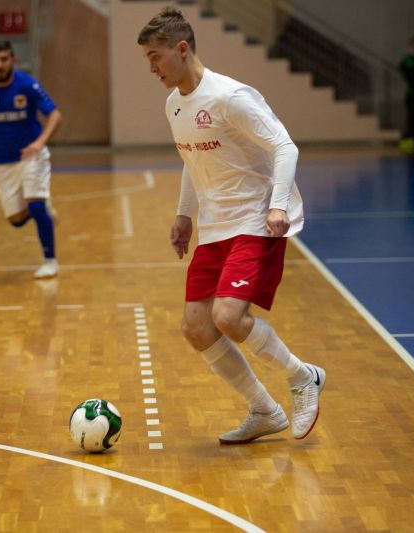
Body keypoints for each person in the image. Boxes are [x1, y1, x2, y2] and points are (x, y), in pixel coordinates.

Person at [137, 7, 325, 445]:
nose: (152, 68)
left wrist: (278, 206)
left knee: (228, 316)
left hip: (256, 222)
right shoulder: (174, 104)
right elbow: (192, 160)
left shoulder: (231, 96)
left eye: (155, 56)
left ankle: (303, 378)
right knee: (197, 326)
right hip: (215, 227)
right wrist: (184, 215)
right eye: (147, 59)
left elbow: (285, 146)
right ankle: (264, 410)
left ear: (182, 49)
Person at [0, 41, 62, 277]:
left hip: (30, 155)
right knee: (16, 220)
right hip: (0, 160)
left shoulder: (27, 85)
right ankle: (43, 206)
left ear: (13, 60)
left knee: (35, 205)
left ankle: (50, 261)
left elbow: (55, 115)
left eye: (4, 59)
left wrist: (39, 143)